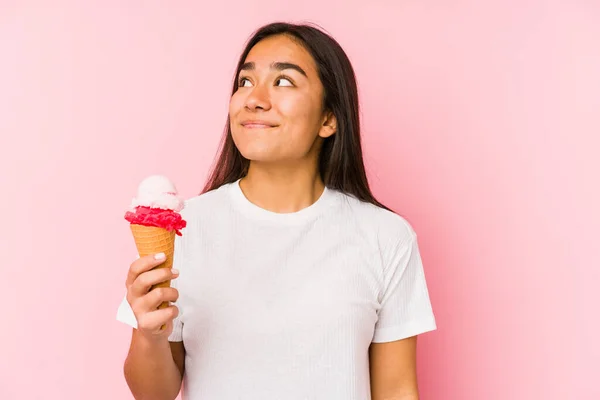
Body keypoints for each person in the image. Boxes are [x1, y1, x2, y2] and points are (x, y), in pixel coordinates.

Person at [116, 21, 437, 400]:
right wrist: (148, 334)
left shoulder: (386, 236)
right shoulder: (184, 228)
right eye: (245, 82)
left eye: (283, 82)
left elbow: (397, 389)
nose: (254, 98)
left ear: (328, 119)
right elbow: (154, 394)